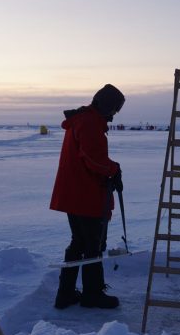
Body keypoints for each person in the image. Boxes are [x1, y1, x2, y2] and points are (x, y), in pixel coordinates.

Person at [50, 84, 125, 309]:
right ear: (106, 105)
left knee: (80, 243)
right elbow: (94, 160)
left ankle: (66, 294)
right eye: (114, 109)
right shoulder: (90, 123)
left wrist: (111, 169)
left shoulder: (85, 120)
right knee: (92, 245)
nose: (114, 115)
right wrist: (114, 169)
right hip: (84, 195)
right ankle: (92, 294)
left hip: (77, 193)